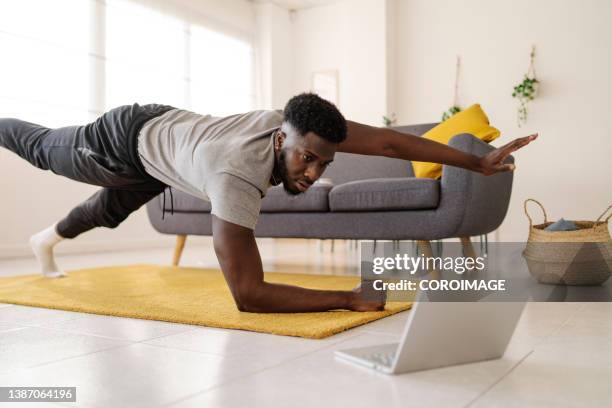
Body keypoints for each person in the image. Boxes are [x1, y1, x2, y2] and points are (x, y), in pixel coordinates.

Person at [0, 93, 537, 313]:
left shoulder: (303, 129)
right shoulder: (236, 175)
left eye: (325, 163)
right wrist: (346, 299)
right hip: (118, 142)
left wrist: (477, 162)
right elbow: (248, 294)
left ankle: (44, 240)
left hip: (164, 140)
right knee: (41, 147)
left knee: (107, 213)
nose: (315, 172)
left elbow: (391, 142)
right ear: (283, 140)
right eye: (308, 160)